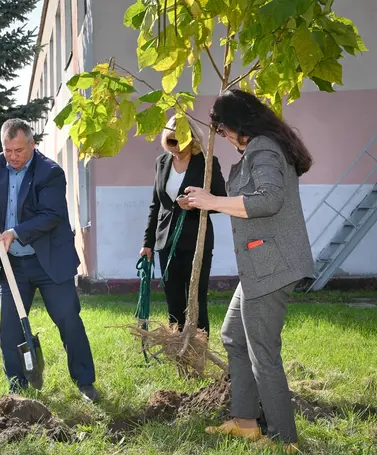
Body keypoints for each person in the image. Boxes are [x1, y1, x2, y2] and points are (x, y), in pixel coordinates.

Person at [184, 89, 315, 453]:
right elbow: (247, 201)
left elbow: (269, 200)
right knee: (232, 334)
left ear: (240, 123)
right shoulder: (259, 148)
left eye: (224, 129)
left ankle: (285, 440)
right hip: (262, 264)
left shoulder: (263, 148)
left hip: (272, 265)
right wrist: (204, 200)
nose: (223, 136)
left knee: (263, 352)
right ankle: (245, 421)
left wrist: (211, 201)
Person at [0, 118, 99, 402]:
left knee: (68, 321)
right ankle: (17, 389)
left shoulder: (50, 172)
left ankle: (85, 382)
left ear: (32, 145)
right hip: (12, 264)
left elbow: (51, 216)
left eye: (19, 151)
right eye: (7, 150)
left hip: (49, 260)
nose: (12, 157)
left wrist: (15, 231)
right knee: (9, 330)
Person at [140, 115, 227, 336]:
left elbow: (220, 200)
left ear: (193, 140)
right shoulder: (161, 162)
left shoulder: (207, 163)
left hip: (196, 241)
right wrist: (147, 243)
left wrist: (196, 204)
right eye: (171, 142)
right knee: (174, 300)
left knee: (196, 300)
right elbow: (156, 205)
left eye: (181, 142)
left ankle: (199, 352)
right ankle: (178, 351)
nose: (176, 148)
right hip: (166, 242)